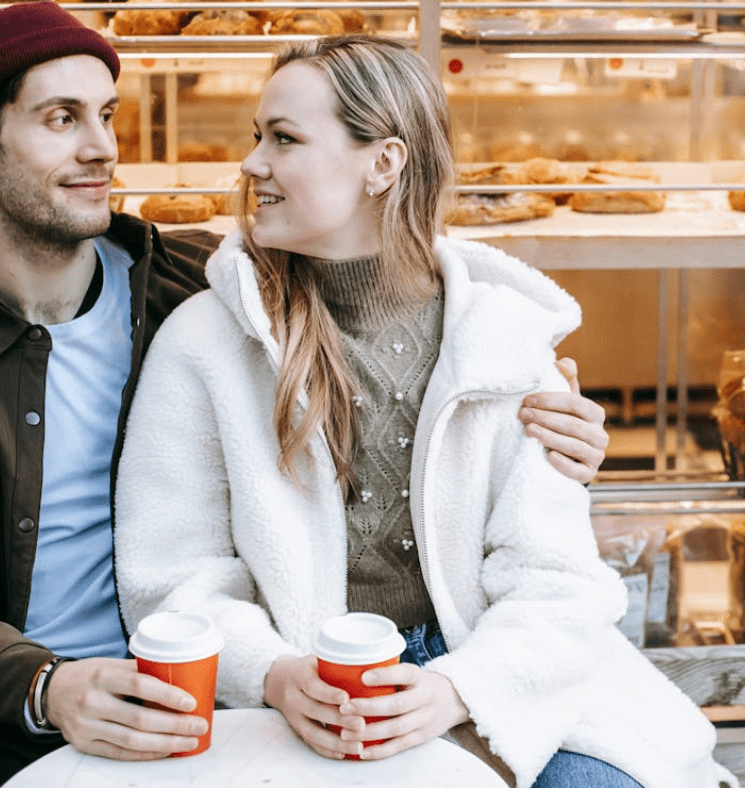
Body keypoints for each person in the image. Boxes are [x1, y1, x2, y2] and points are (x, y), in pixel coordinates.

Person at [0, 7, 606, 788]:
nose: (102, 149)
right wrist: (48, 689)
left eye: (107, 115)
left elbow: (387, 273)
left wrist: (548, 403)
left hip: (200, 699)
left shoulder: (203, 288)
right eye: (62, 118)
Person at [114, 35, 736, 788]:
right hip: (300, 689)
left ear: (384, 164)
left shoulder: (504, 341)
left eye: (284, 138)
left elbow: (556, 580)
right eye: (257, 137)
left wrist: (458, 688)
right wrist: (275, 674)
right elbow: (172, 573)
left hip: (493, 674)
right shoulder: (204, 343)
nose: (251, 164)